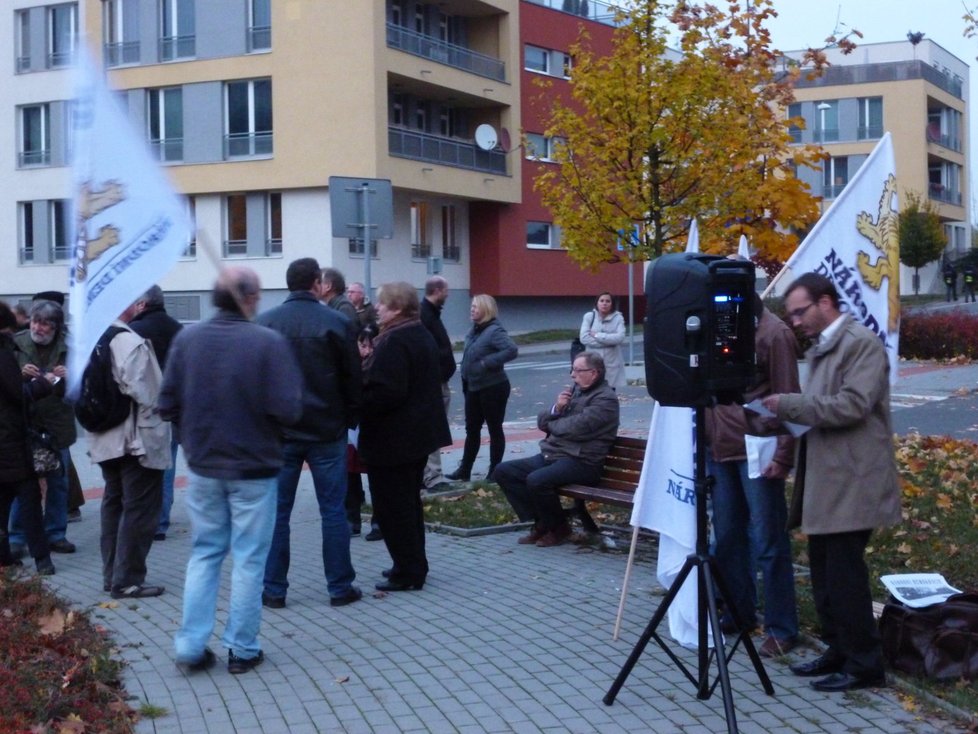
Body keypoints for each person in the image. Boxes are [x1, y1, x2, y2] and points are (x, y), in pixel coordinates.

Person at [160, 267, 303, 675]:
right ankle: (242, 647)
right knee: (248, 558)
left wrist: (192, 432)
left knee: (205, 554)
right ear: (251, 297)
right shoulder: (267, 343)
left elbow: (166, 402)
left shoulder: (187, 340)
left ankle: (190, 645)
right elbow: (289, 409)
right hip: (255, 468)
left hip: (204, 465)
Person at [762, 273, 901, 693]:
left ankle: (864, 665)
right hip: (829, 479)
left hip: (854, 480)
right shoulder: (823, 347)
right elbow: (818, 411)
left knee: (845, 580)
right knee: (824, 576)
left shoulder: (861, 344)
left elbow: (852, 406)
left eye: (800, 312)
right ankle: (838, 650)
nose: (796, 322)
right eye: (790, 316)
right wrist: (771, 420)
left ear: (826, 302)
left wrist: (788, 404)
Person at [257, 258, 363, 609]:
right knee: (333, 510)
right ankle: (339, 587)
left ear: (289, 284)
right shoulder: (337, 321)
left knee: (277, 513)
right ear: (317, 283)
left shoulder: (266, 322)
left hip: (281, 432)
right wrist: (349, 419)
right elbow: (352, 377)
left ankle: (274, 590)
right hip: (326, 429)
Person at [705, 294, 800, 658]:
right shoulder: (721, 327)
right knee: (727, 536)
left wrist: (785, 454)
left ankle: (781, 627)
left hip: (758, 450)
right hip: (720, 449)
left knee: (768, 540)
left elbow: (791, 397)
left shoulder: (775, 334)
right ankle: (739, 611)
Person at [359, 281, 451, 592]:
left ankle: (409, 572)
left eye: (382, 304)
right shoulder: (416, 331)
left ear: (397, 307)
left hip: (394, 440)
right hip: (414, 436)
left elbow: (387, 392)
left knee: (394, 508)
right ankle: (409, 564)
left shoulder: (396, 340)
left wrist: (358, 397)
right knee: (407, 505)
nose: (376, 308)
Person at [88, 300, 171, 599]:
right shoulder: (127, 340)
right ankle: (128, 580)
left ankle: (111, 576)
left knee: (113, 505)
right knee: (139, 510)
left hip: (105, 438)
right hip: (135, 440)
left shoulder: (91, 338)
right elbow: (146, 391)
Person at [494, 352, 619, 547]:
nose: (573, 375)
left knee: (537, 480)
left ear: (593, 373)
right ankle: (544, 523)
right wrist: (557, 409)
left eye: (578, 370)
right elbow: (542, 421)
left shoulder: (605, 400)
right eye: (572, 370)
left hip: (583, 462)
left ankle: (559, 528)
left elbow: (576, 428)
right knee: (504, 471)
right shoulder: (575, 391)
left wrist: (553, 425)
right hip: (555, 455)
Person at [9, 299, 77, 557]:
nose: (38, 328)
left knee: (59, 483)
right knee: (23, 483)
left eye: (45, 324)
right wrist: (20, 375)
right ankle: (17, 536)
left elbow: (82, 383)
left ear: (56, 326)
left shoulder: (70, 345)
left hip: (57, 422)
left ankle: (56, 534)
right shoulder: (17, 342)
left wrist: (68, 376)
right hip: (25, 423)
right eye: (36, 321)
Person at [0, 301, 56, 575]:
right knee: (30, 500)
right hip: (10, 442)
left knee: (2, 504)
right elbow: (17, 396)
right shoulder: (3, 353)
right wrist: (43, 384)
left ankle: (4, 557)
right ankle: (42, 559)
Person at [129, 285, 183, 541]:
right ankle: (161, 521)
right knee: (168, 466)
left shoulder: (134, 331)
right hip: (173, 410)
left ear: (141, 303)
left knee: (145, 468)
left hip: (144, 409)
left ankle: (146, 520)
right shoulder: (178, 329)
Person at [446, 294, 518, 482]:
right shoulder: (475, 330)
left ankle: (495, 471)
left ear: (486, 309)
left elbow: (511, 350)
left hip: (493, 386)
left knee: (494, 429)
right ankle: (465, 470)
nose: (472, 309)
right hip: (474, 386)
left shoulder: (494, 331)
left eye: (476, 307)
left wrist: (488, 363)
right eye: (471, 306)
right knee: (472, 429)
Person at [420, 276, 456, 493]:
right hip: (433, 384)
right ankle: (432, 476)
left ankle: (431, 475)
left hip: (437, 381)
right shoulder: (426, 315)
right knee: (432, 430)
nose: (448, 294)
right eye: (446, 290)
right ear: (437, 290)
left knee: (432, 429)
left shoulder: (430, 314)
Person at [579, 292, 626, 390]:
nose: (604, 303)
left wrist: (597, 335)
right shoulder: (589, 317)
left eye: (608, 301)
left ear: (612, 304)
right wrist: (609, 341)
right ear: (597, 303)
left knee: (609, 390)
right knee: (592, 388)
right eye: (602, 301)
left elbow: (620, 338)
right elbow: (584, 338)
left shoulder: (618, 318)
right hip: (592, 361)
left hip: (612, 363)